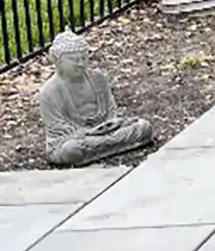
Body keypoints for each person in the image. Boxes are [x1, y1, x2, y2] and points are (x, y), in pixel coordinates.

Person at [38, 31, 153, 167]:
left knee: (143, 127)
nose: (81, 64)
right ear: (57, 60)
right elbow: (58, 127)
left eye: (84, 58)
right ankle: (102, 147)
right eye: (74, 60)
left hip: (105, 131)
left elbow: (111, 111)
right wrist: (87, 133)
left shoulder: (97, 78)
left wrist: (111, 124)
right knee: (71, 150)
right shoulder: (50, 91)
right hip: (78, 137)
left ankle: (102, 147)